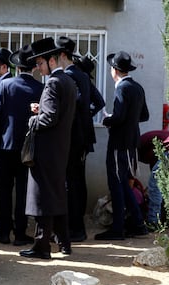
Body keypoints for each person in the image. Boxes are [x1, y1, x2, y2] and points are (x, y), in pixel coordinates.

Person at [19, 37, 76, 260]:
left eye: (41, 63)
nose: (38, 68)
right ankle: (64, 243)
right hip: (60, 148)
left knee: (42, 198)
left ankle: (42, 246)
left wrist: (32, 119)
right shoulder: (68, 80)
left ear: (52, 61)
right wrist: (40, 109)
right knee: (56, 195)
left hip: (47, 149)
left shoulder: (53, 82)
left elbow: (49, 119)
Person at [0, 44, 44, 246]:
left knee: (5, 190)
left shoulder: (5, 86)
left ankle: (4, 231)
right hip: (29, 147)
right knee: (23, 190)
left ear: (16, 67)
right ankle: (20, 233)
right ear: (33, 68)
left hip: (6, 145)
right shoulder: (40, 88)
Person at [94, 51, 150, 240]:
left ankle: (117, 228)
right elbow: (144, 116)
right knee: (124, 183)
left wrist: (107, 119)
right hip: (132, 142)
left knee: (116, 184)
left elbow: (118, 117)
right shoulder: (138, 87)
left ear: (115, 70)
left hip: (120, 144)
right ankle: (138, 223)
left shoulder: (121, 88)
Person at [55, 37, 94, 242]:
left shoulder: (69, 76)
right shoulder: (82, 75)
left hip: (73, 136)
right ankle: (77, 226)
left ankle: (74, 228)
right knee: (77, 181)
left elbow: (75, 106)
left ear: (62, 56)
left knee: (71, 182)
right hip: (82, 136)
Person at [138, 130, 169, 229]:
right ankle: (166, 218)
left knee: (155, 187)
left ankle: (153, 221)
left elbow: (131, 174)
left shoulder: (136, 147)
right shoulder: (148, 147)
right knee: (165, 187)